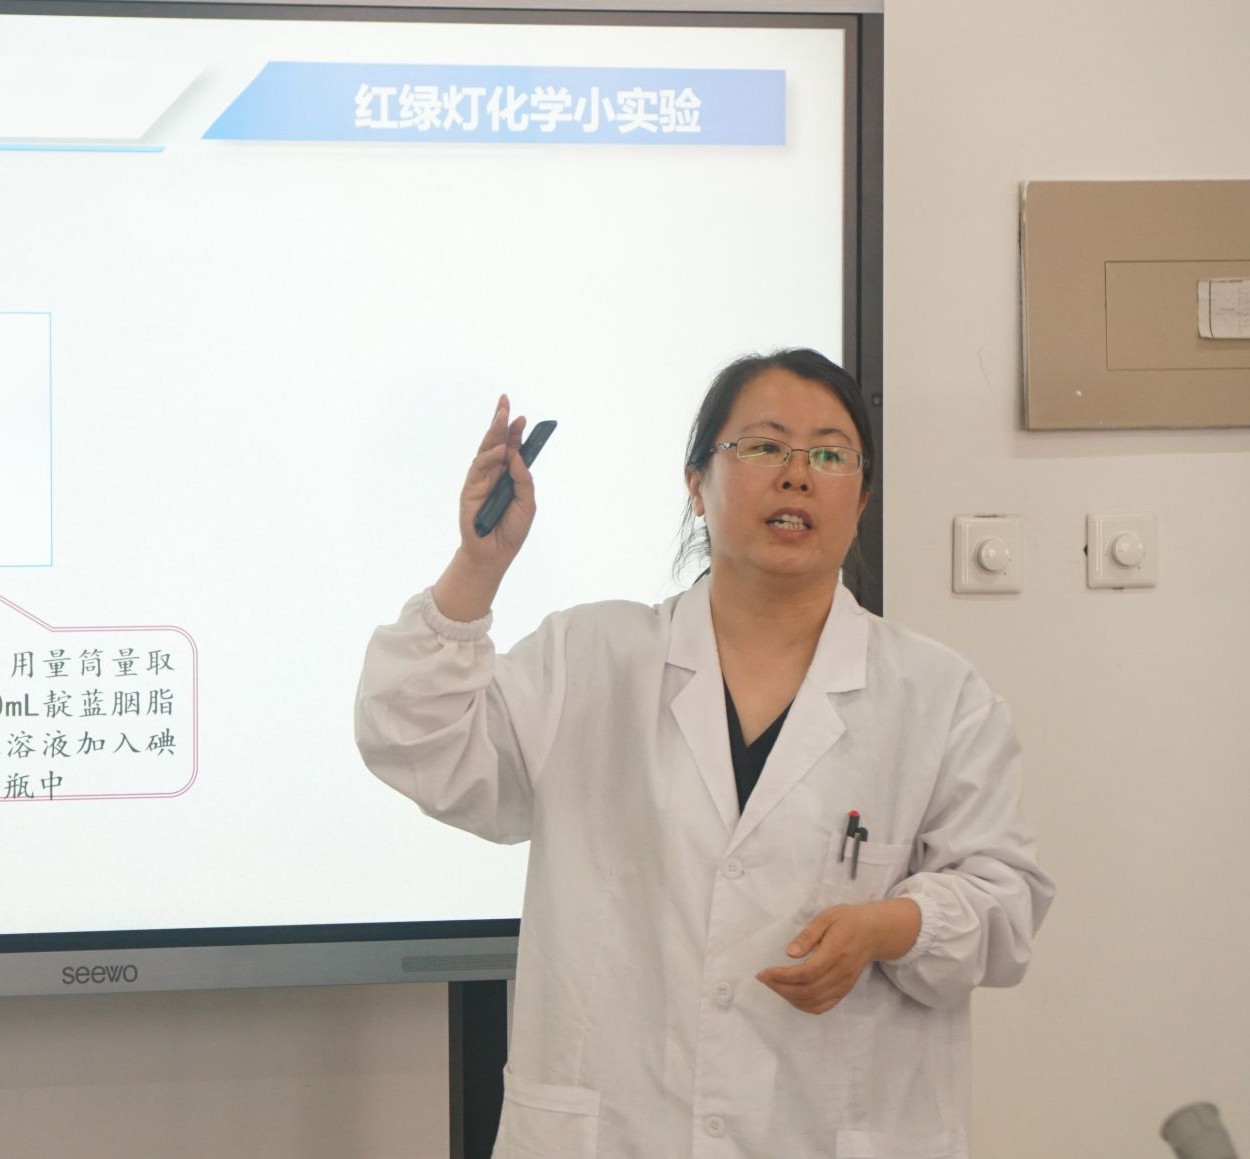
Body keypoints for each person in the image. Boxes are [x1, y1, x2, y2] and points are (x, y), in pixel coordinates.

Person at [355, 349, 1054, 1158]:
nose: (797, 474)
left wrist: (893, 924)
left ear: (861, 499)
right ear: (697, 483)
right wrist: (478, 567)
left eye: (830, 455)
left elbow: (1006, 903)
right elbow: (412, 736)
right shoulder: (591, 656)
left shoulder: (938, 695)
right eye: (763, 445)